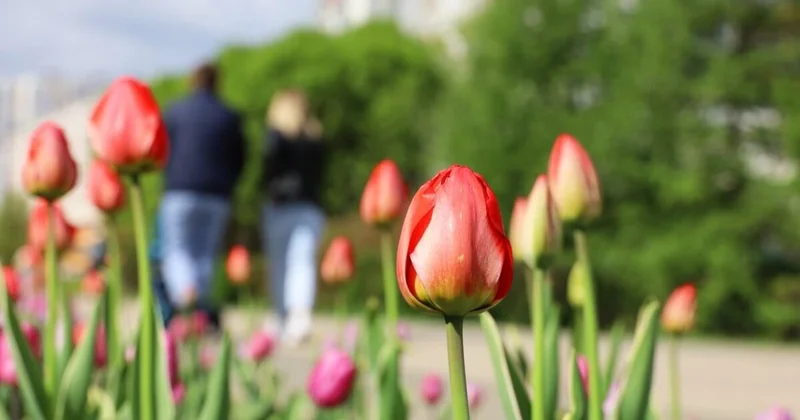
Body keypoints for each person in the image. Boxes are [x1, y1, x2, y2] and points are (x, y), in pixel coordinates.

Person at [160, 62, 245, 327]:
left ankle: (186, 295)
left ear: (193, 81)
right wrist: (229, 183)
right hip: (217, 194)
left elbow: (161, 150)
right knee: (205, 252)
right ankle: (202, 307)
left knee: (176, 248)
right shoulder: (229, 116)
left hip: (180, 189)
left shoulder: (175, 111)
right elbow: (240, 157)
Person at [262, 89, 327, 346]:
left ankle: (281, 316)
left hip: (280, 206)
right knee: (302, 262)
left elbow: (268, 173)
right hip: (310, 206)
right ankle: (300, 318)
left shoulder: (274, 138)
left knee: (280, 263)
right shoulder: (315, 138)